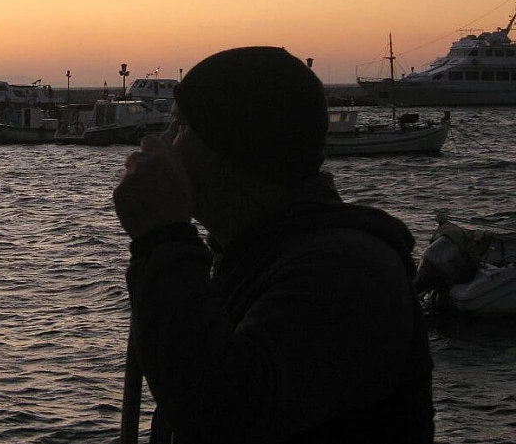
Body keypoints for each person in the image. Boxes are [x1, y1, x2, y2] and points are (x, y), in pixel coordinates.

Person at [113, 46, 434, 443]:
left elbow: (222, 416)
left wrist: (161, 239)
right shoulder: (253, 255)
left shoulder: (344, 273)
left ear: (231, 148)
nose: (161, 141)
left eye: (179, 126)